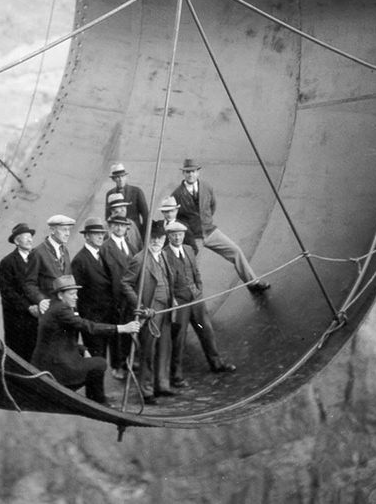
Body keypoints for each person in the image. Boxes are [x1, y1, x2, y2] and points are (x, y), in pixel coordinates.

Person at [30, 275, 141, 405]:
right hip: (54, 367)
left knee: (92, 361)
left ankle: (95, 398)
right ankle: (97, 401)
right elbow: (88, 327)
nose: (76, 297)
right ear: (60, 295)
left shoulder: (54, 306)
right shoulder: (61, 309)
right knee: (100, 363)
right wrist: (122, 328)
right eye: (72, 294)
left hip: (47, 362)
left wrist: (83, 349)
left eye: (76, 294)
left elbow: (58, 337)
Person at [172, 158, 270, 293]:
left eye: (193, 172)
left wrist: (206, 222)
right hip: (193, 237)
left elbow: (212, 206)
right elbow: (177, 219)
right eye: (187, 172)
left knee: (236, 251)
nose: (190, 175)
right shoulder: (176, 195)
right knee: (189, 267)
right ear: (183, 174)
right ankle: (190, 300)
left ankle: (253, 283)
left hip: (210, 231)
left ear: (198, 172)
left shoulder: (207, 187)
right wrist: (188, 235)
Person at [164, 219, 236, 386]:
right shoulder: (164, 255)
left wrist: (198, 290)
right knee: (179, 339)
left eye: (180, 234)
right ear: (169, 237)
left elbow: (196, 272)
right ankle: (176, 375)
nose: (177, 238)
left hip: (195, 300)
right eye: (174, 235)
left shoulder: (188, 249)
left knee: (206, 331)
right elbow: (164, 281)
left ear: (183, 235)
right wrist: (172, 300)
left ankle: (217, 364)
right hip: (179, 303)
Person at [121, 220, 178, 404]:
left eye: (160, 238)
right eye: (153, 238)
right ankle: (146, 390)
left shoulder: (163, 256)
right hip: (150, 311)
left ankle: (162, 385)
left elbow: (168, 281)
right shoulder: (139, 259)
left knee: (164, 349)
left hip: (167, 309)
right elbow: (126, 283)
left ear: (164, 239)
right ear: (147, 239)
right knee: (148, 352)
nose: (156, 241)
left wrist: (173, 299)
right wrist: (140, 306)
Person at [70, 217, 126, 367]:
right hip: (93, 320)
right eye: (96, 234)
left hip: (109, 316)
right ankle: (95, 391)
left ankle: (100, 389)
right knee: (97, 360)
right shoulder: (80, 261)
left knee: (107, 357)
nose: (101, 237)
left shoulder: (102, 254)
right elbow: (75, 295)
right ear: (87, 236)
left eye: (102, 233)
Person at [0, 222, 41, 360]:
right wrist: (28, 307)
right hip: (17, 318)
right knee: (18, 354)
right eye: (25, 237)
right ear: (17, 241)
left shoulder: (38, 259)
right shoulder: (7, 262)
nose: (30, 239)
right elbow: (7, 292)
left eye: (30, 236)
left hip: (36, 316)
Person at [101, 212, 135, 379]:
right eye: (116, 225)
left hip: (129, 297)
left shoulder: (130, 245)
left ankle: (127, 361)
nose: (120, 228)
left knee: (129, 330)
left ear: (127, 228)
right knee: (116, 334)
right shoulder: (105, 248)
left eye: (123, 225)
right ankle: (117, 366)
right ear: (111, 227)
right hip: (114, 299)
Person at [24, 214, 74, 314]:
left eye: (69, 230)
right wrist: (41, 300)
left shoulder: (65, 251)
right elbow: (29, 284)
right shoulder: (38, 253)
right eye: (64, 230)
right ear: (52, 230)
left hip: (65, 308)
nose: (68, 233)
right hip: (49, 310)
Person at [103, 162, 149, 236]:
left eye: (122, 176)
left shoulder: (136, 191)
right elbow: (108, 216)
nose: (120, 179)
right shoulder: (110, 194)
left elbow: (146, 215)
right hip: (117, 231)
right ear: (113, 179)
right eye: (117, 177)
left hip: (134, 232)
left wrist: (144, 235)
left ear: (126, 177)